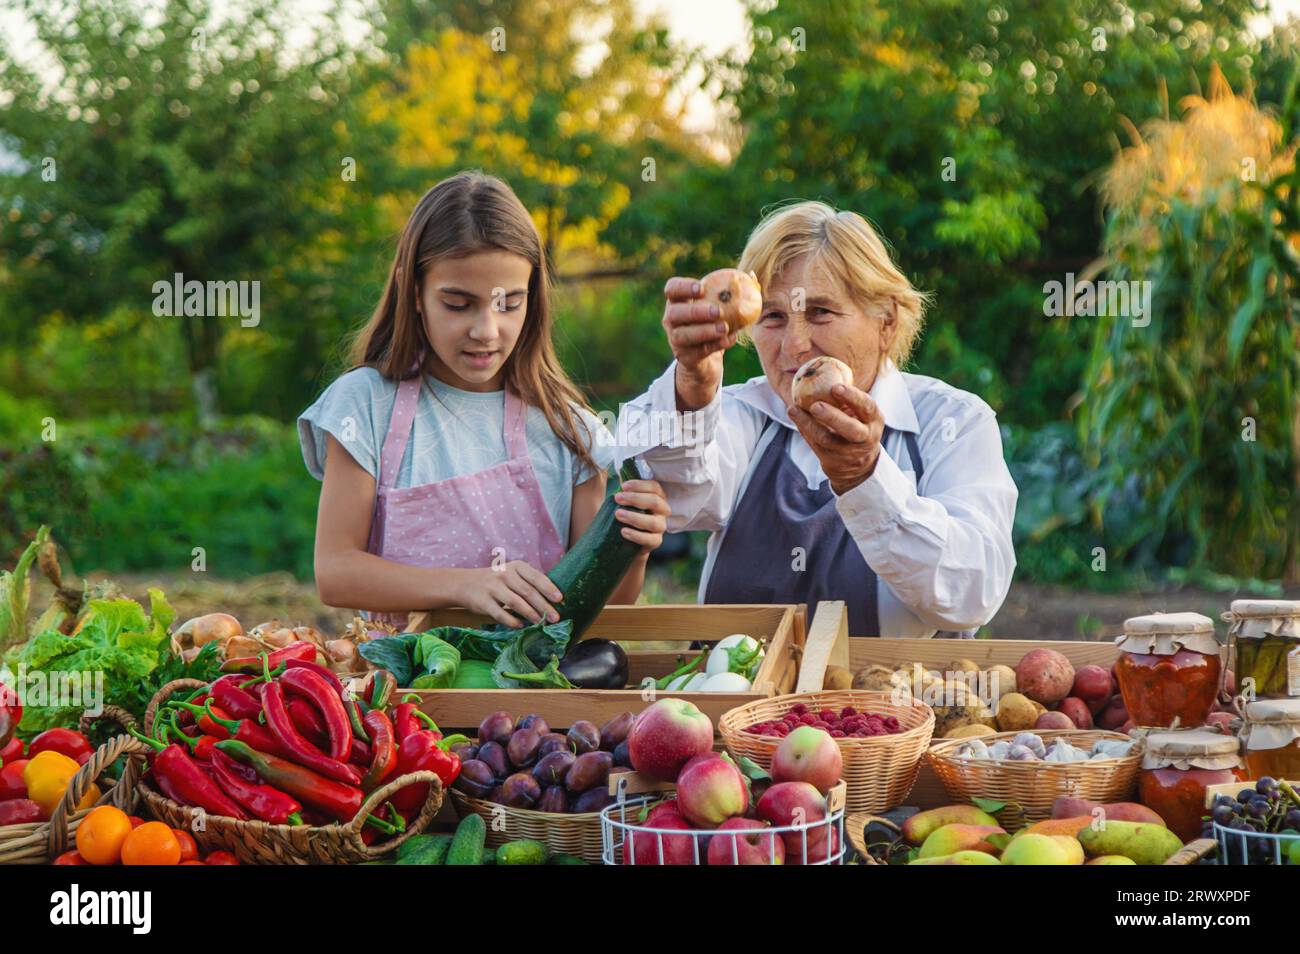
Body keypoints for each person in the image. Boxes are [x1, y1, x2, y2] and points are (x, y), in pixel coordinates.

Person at [620, 200, 1017, 636]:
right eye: (773, 317)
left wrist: (865, 477)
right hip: (734, 702)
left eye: (820, 312)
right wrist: (689, 388)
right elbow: (665, 487)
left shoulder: (953, 422)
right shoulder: (745, 415)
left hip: (898, 701)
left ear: (886, 320)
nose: (794, 346)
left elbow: (972, 593)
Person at [299, 171, 670, 628]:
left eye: (509, 304)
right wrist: (465, 585)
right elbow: (335, 571)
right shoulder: (365, 406)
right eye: (458, 304)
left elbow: (603, 604)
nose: (486, 330)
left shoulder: (570, 430)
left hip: (532, 694)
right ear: (413, 292)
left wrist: (634, 551)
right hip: (398, 693)